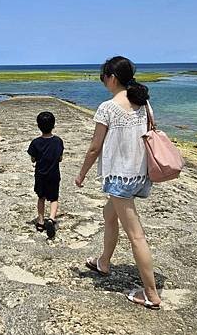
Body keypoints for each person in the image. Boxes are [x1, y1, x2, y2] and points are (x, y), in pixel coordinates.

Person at [75, 56, 161, 310]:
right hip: (139, 175)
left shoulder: (108, 108)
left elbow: (94, 148)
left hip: (121, 178)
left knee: (136, 236)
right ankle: (104, 261)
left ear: (111, 77)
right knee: (108, 214)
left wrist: (81, 174)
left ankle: (151, 294)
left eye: (103, 76)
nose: (103, 81)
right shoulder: (142, 103)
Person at [28, 111, 64, 239]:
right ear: (53, 125)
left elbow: (33, 159)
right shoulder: (58, 141)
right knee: (54, 198)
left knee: (41, 197)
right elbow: (60, 158)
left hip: (40, 174)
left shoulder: (36, 142)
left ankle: (41, 221)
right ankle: (52, 219)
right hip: (54, 174)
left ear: (38, 126)